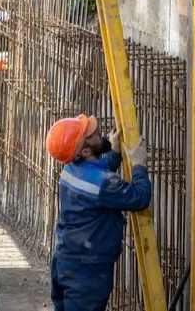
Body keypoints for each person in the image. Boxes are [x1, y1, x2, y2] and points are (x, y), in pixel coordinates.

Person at [46, 114, 152, 311]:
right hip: (86, 273)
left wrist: (114, 152)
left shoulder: (69, 170)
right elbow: (139, 198)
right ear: (85, 150)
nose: (97, 130)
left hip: (64, 262)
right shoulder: (103, 185)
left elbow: (96, 175)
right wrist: (138, 165)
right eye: (91, 133)